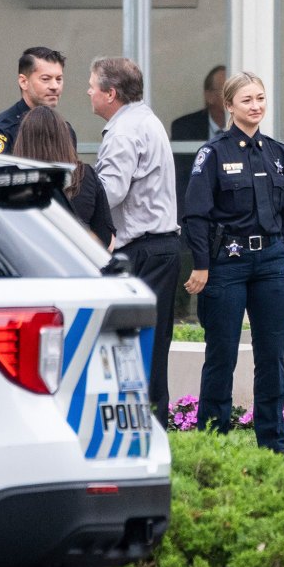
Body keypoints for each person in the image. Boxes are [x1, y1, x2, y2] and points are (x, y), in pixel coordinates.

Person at [182, 71, 284, 453]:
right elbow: (196, 214)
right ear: (229, 106)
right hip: (227, 262)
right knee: (221, 355)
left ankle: (274, 445)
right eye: (247, 100)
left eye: (260, 99)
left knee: (272, 358)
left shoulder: (277, 153)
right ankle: (213, 445)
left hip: (272, 261)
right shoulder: (215, 153)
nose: (256, 106)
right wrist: (202, 264)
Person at [91, 56, 180, 429]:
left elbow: (110, 191)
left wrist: (77, 190)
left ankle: (144, 434)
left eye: (93, 86)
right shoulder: (146, 119)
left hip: (142, 250)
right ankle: (155, 428)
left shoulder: (125, 131)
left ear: (111, 93)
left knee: (135, 348)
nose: (89, 93)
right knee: (154, 346)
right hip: (159, 249)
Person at [13, 105, 116, 251]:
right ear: (64, 138)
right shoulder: (85, 175)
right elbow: (107, 239)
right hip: (79, 265)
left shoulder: (12, 181)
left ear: (22, 140)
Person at [0, 46, 77, 155]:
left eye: (59, 79)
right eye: (45, 79)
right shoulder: (1, 130)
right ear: (23, 82)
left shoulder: (65, 130)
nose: (54, 86)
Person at [171, 65, 227, 221]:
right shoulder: (184, 128)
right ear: (209, 96)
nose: (233, 97)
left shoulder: (245, 128)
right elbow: (181, 182)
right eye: (226, 91)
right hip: (194, 215)